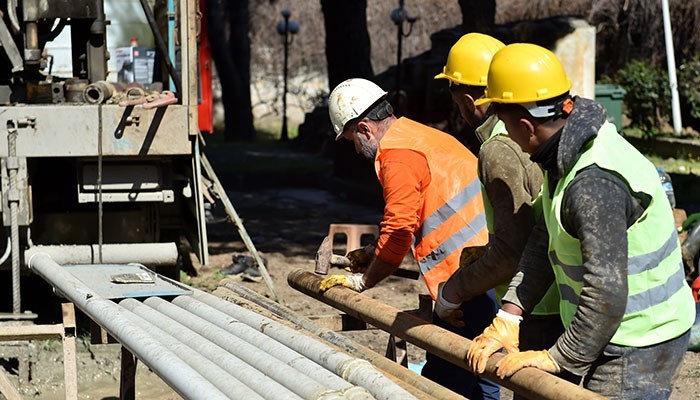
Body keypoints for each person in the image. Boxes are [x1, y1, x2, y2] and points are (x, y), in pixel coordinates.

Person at [466, 43, 695, 399]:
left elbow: (606, 293)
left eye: (505, 123)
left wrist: (558, 358)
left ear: (526, 125)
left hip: (642, 335)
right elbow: (544, 238)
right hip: (609, 324)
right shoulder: (565, 150)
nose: (504, 134)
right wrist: (510, 315)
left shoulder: (592, 184)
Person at [320, 77, 500, 399]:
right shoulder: (419, 135)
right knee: (482, 373)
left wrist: (364, 281)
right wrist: (375, 252)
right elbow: (416, 214)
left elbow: (400, 230)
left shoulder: (397, 155)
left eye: (351, 140)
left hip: (465, 282)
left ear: (364, 129)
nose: (355, 148)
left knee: (443, 380)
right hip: (489, 268)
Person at [432, 33, 564, 395]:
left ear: (468, 99)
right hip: (554, 298)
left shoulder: (498, 150)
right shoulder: (531, 136)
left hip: (536, 307)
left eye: (455, 97)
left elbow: (512, 253)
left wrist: (452, 292)